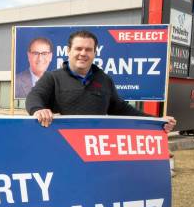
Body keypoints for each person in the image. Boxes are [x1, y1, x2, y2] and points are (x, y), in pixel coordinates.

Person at [25, 30, 176, 132]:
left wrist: (157, 121)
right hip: (61, 146)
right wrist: (38, 110)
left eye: (88, 49)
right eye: (78, 48)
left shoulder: (105, 80)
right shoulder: (52, 77)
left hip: (93, 149)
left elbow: (122, 109)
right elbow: (34, 97)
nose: (83, 53)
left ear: (95, 53)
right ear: (68, 51)